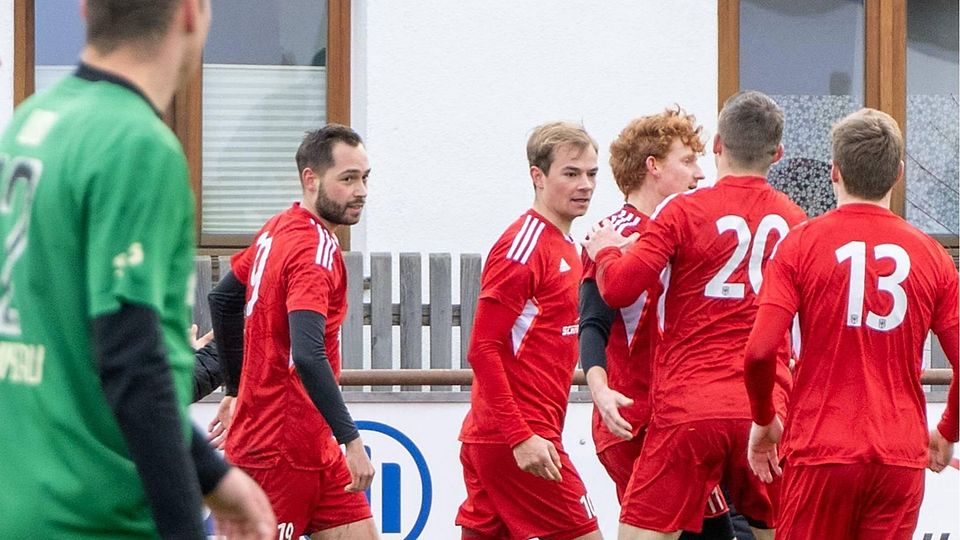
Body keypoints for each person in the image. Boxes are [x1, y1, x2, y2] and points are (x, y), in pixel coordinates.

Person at [0, 1, 275, 539]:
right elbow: (133, 364)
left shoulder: (31, 124)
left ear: (84, 11)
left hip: (22, 505)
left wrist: (213, 475)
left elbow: (74, 345)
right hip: (96, 516)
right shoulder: (137, 145)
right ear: (192, 13)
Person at [583, 91, 806, 540]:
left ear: (720, 144)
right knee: (770, 529)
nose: (699, 170)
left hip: (687, 407)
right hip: (761, 411)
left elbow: (618, 286)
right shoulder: (797, 221)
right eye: (688, 160)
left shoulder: (680, 212)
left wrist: (606, 253)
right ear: (778, 154)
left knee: (656, 532)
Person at [744, 108, 959, 540]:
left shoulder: (800, 244)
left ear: (834, 172)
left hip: (821, 448)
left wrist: (764, 419)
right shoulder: (933, 255)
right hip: (898, 453)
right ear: (898, 174)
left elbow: (760, 351)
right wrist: (947, 430)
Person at [208, 124, 379, 539]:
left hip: (313, 446)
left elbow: (224, 300)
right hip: (277, 449)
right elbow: (307, 354)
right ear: (311, 179)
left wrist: (234, 389)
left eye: (365, 178)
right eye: (348, 179)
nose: (361, 191)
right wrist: (352, 440)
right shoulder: (313, 250)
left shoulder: (279, 228)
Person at [579, 108, 736, 539]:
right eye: (687, 161)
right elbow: (592, 322)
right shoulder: (612, 232)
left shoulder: (682, 228)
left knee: (717, 530)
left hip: (681, 419)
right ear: (653, 166)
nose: (700, 174)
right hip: (635, 422)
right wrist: (600, 390)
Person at [456, 121, 603, 540]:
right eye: (571, 173)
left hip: (506, 437)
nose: (585, 185)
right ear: (537, 177)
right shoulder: (523, 245)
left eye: (592, 174)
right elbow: (482, 347)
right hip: (517, 438)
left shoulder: (567, 245)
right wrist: (520, 436)